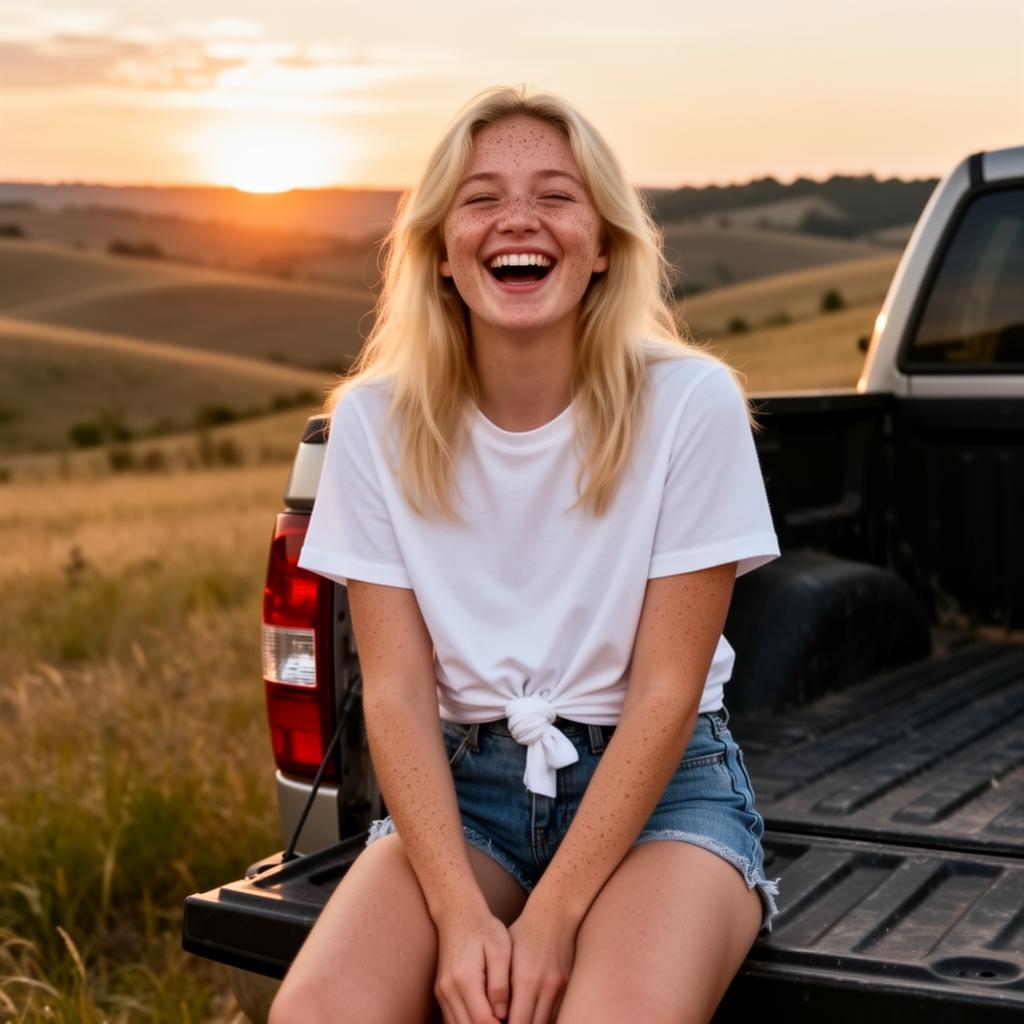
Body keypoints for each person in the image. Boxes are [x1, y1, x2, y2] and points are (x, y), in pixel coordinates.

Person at [270, 85, 781, 1024]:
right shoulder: (374, 425)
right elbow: (391, 693)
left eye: (556, 195)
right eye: (480, 198)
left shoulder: (691, 403)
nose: (518, 220)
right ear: (438, 252)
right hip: (465, 798)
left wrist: (549, 920)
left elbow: (668, 691)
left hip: (663, 793)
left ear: (603, 246)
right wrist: (460, 916)